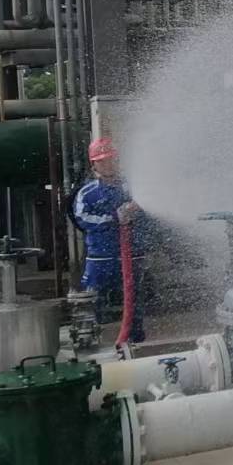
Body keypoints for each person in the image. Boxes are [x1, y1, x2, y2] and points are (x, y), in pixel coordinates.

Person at [71, 137, 150, 346]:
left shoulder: (132, 187)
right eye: (102, 161)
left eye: (111, 159)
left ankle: (134, 341)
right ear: (94, 165)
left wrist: (136, 210)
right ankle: (89, 338)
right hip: (100, 257)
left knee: (134, 299)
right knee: (91, 299)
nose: (108, 164)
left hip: (131, 254)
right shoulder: (87, 193)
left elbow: (149, 213)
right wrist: (114, 217)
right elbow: (82, 219)